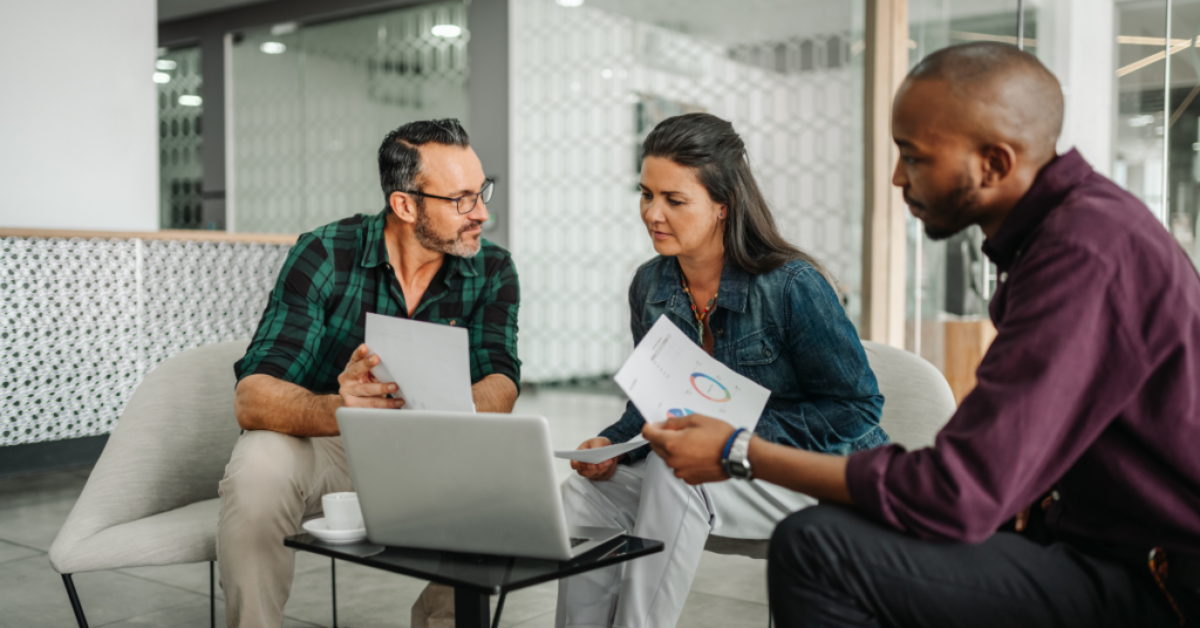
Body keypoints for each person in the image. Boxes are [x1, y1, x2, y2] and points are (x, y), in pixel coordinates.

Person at [644, 43, 1200, 627]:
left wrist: (739, 452)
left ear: (995, 163)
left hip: (1156, 580)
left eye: (914, 157)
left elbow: (958, 493)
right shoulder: (1069, 234)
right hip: (1085, 541)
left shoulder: (1085, 254)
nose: (897, 176)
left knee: (817, 549)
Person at [555, 112, 889, 628]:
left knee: (676, 470)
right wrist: (610, 441)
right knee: (584, 495)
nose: (652, 213)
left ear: (721, 207)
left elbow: (857, 408)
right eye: (646, 194)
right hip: (724, 475)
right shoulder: (650, 285)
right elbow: (654, 398)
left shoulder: (791, 285)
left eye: (674, 200)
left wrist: (733, 439)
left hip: (811, 473)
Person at [218, 118, 520, 628]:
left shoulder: (492, 269)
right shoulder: (323, 254)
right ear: (405, 205)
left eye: (482, 191)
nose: (482, 213)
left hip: (432, 446)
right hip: (330, 442)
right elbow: (252, 398)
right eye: (462, 199)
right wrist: (340, 406)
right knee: (258, 466)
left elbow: (502, 382)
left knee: (503, 479)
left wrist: (443, 410)